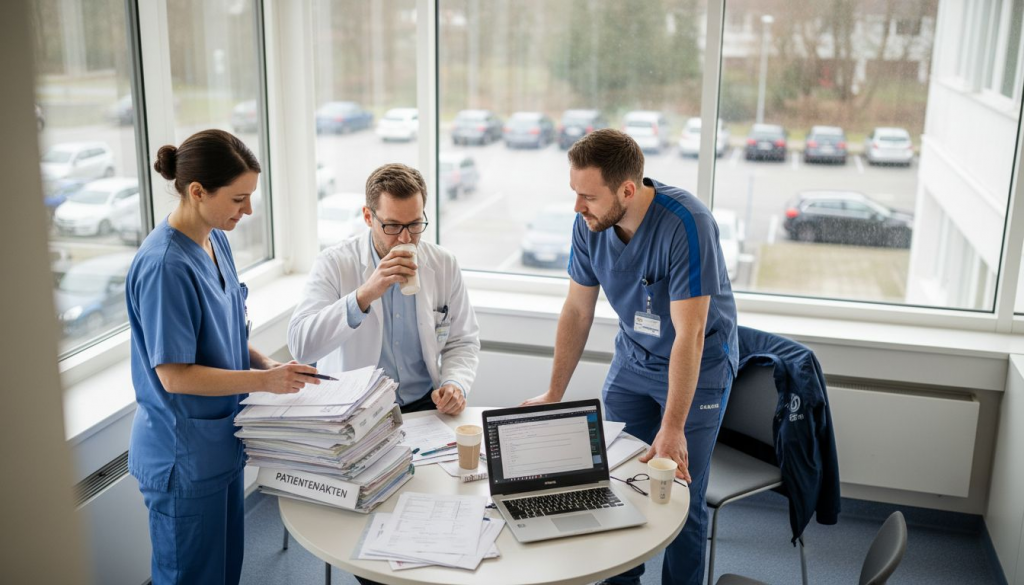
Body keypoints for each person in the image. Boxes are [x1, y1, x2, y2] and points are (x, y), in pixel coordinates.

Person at [523, 129, 738, 585]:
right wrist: (554, 393)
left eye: (588, 196)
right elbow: (578, 311)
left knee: (677, 492)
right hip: (633, 362)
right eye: (574, 193)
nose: (578, 208)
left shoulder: (686, 224)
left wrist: (673, 427)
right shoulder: (590, 225)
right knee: (615, 480)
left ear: (626, 189)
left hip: (696, 367)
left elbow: (690, 334)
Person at [126, 129, 323, 585]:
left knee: (223, 572)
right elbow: (175, 376)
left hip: (219, 445)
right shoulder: (164, 267)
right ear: (197, 192)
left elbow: (228, 333)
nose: (248, 211)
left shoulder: (216, 239)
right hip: (183, 455)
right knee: (190, 577)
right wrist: (265, 384)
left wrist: (268, 365)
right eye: (238, 199)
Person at [288, 163, 479, 416]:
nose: (405, 239)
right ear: (368, 217)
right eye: (392, 226)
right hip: (356, 409)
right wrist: (364, 295)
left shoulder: (443, 263)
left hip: (424, 404)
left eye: (414, 224)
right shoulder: (334, 263)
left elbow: (462, 340)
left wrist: (454, 383)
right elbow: (302, 346)